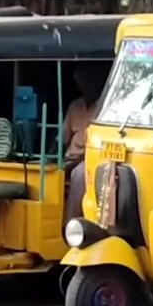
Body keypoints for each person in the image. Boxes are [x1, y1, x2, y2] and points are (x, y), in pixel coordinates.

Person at [63, 65, 107, 223]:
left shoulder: (104, 108)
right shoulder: (75, 106)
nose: (84, 85)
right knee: (50, 173)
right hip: (70, 157)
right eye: (81, 82)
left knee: (78, 174)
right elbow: (63, 138)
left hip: (92, 157)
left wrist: (74, 164)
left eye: (88, 81)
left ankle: (70, 223)